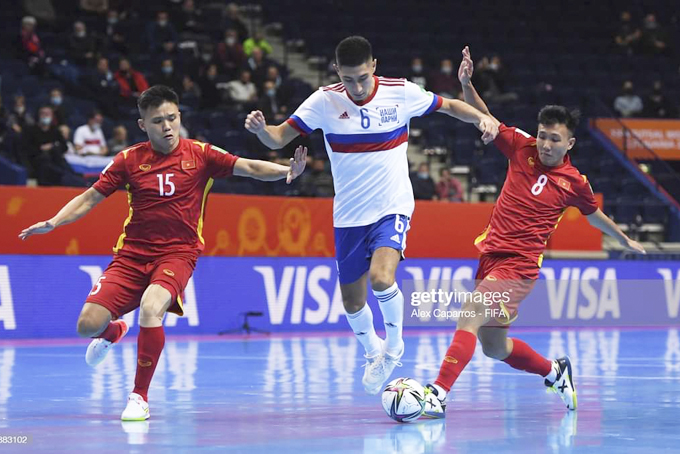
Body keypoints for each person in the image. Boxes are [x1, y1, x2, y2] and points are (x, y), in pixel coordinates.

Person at [19, 85, 307, 421]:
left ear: (179, 116)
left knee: (151, 307)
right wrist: (54, 222)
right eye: (158, 121)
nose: (167, 126)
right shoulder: (128, 160)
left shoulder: (200, 154)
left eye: (172, 118)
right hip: (131, 256)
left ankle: (139, 396)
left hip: (177, 255)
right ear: (143, 125)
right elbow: (89, 198)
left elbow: (251, 168)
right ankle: (113, 331)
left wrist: (287, 172)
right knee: (86, 325)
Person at [245, 36, 498, 395]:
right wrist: (260, 131)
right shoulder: (323, 102)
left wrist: (482, 119)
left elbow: (451, 107)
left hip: (391, 206)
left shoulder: (401, 92)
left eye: (363, 77)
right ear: (337, 73)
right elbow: (277, 138)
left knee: (381, 278)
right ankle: (373, 352)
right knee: (352, 301)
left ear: (374, 66)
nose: (358, 87)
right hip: (349, 214)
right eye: (349, 79)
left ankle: (394, 345)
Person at [422, 46, 646, 418]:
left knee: (470, 313)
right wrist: (466, 83)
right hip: (492, 255)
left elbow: (594, 216)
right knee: (494, 346)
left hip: (520, 266)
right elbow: (485, 118)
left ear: (570, 144)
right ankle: (554, 371)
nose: (545, 144)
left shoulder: (575, 182)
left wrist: (622, 239)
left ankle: (438, 393)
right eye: (543, 136)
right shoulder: (521, 147)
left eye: (554, 140)